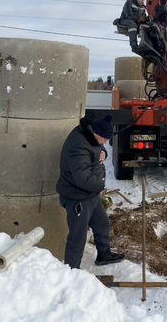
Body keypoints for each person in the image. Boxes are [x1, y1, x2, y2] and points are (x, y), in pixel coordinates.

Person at [56, 113, 124, 269]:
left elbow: (98, 150)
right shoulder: (78, 146)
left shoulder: (90, 134)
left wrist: (104, 154)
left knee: (102, 224)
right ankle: (72, 271)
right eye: (104, 139)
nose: (105, 143)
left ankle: (103, 255)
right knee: (78, 236)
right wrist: (101, 184)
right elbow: (83, 179)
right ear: (96, 133)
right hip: (77, 196)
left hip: (90, 194)